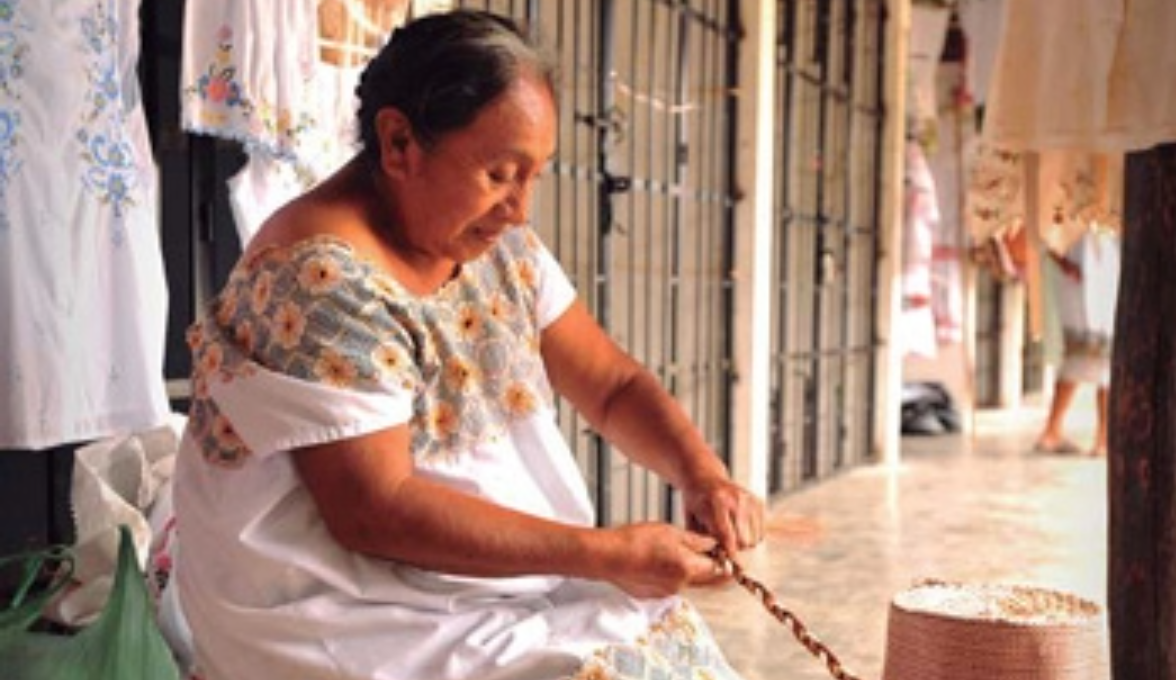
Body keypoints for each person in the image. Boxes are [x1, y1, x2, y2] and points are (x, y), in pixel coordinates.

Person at [171, 9, 763, 680]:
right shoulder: (320, 278)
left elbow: (611, 384)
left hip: (460, 584)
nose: (520, 210)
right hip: (342, 605)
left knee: (658, 645)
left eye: (533, 175)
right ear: (398, 145)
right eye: (500, 173)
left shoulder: (488, 243)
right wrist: (604, 554)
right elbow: (375, 511)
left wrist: (701, 473)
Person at [1033, 226, 1120, 457]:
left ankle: (1099, 435)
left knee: (1103, 361)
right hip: (1078, 280)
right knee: (1085, 359)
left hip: (1105, 278)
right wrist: (1065, 264)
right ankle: (1064, 432)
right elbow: (1044, 236)